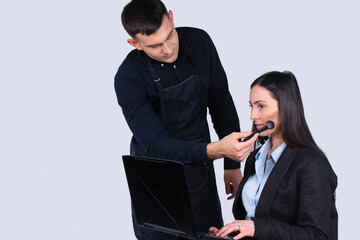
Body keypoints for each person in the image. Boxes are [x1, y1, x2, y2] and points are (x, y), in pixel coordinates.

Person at [114, 0, 258, 239]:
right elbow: (156, 145)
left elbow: (221, 101)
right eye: (155, 46)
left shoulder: (199, 43)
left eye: (170, 36)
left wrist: (232, 163)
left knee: (212, 234)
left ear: (171, 17)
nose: (168, 49)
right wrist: (217, 150)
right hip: (156, 179)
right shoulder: (128, 77)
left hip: (199, 171)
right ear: (134, 44)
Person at [209, 71, 338, 240]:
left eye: (261, 106)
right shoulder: (255, 158)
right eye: (251, 106)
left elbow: (318, 236)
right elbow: (254, 218)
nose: (252, 115)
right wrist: (230, 234)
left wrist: (255, 228)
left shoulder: (312, 164)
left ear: (286, 107)